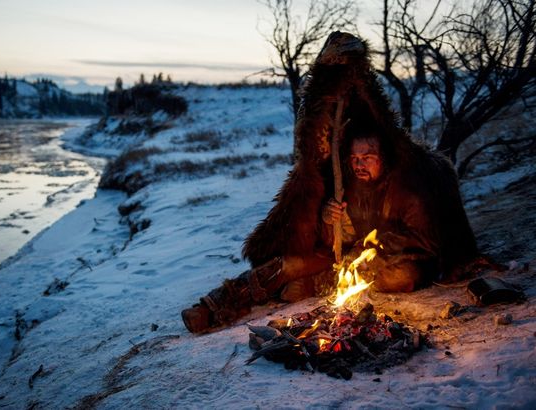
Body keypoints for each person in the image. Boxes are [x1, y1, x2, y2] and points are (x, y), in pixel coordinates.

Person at [181, 31, 478, 334]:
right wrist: (327, 219)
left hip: (391, 263)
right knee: (286, 266)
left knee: (401, 276)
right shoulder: (348, 181)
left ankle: (311, 286)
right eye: (355, 157)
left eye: (369, 156)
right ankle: (213, 306)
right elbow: (334, 238)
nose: (360, 163)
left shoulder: (407, 186)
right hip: (342, 261)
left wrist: (368, 249)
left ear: (383, 157)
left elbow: (425, 240)